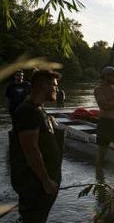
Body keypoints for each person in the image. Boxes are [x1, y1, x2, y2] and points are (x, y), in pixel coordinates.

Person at [9, 69, 63, 223]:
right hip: (34, 184)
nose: (56, 90)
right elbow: (31, 150)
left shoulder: (39, 110)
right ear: (42, 85)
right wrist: (45, 180)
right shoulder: (28, 111)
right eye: (54, 86)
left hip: (42, 183)